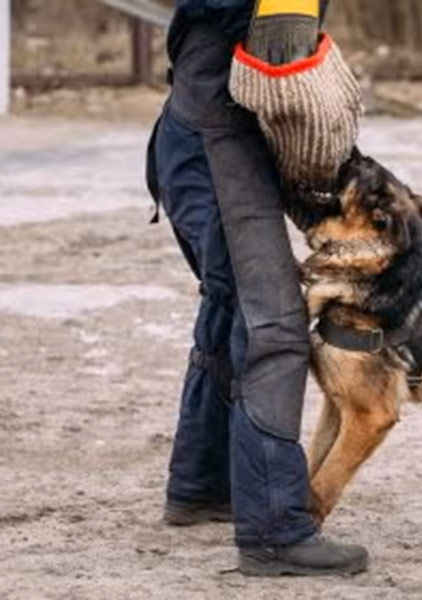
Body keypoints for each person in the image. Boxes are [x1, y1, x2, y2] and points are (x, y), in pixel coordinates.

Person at [145, 0, 367, 576]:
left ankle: (201, 484)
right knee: (274, 324)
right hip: (216, 146)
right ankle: (274, 529)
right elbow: (279, 64)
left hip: (202, 137)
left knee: (231, 299)